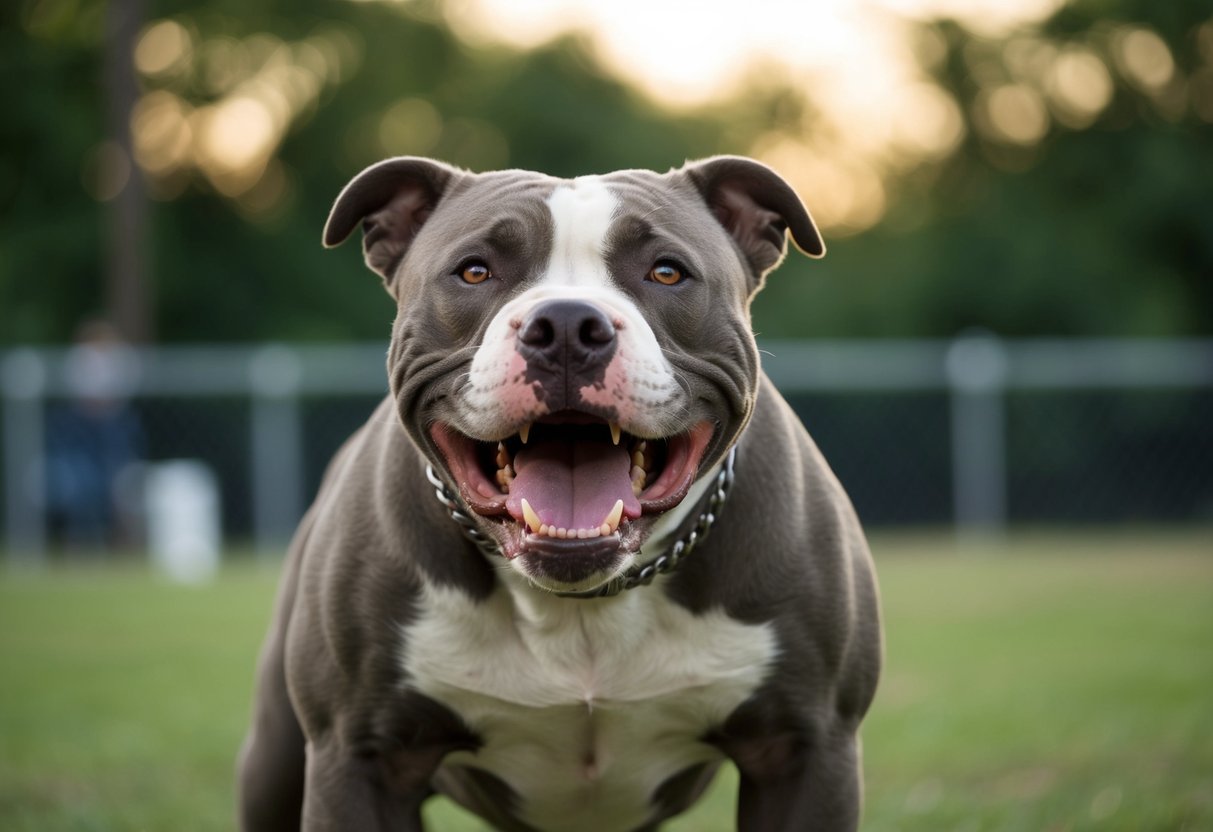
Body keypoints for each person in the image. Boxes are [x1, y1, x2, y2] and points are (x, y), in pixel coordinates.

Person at [44, 319, 144, 551]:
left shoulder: (121, 359)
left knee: (122, 487)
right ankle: (81, 540)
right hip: (83, 430)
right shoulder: (79, 359)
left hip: (114, 429)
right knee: (81, 485)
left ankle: (122, 542)